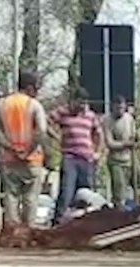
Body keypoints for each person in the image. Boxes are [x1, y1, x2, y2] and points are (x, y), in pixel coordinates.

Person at [0, 71, 48, 227]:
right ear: (29, 87)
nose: (37, 92)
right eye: (36, 88)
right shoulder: (34, 105)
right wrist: (27, 151)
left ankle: (12, 231)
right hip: (32, 159)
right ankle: (28, 230)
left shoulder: (2, 104)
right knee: (30, 197)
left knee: (11, 195)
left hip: (9, 159)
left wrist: (10, 147)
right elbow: (41, 131)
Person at [49, 86, 103, 226]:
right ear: (73, 101)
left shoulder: (90, 115)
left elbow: (98, 134)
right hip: (70, 157)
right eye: (79, 102)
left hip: (86, 158)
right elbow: (47, 122)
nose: (81, 106)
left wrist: (97, 152)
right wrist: (56, 137)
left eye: (84, 103)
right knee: (67, 190)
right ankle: (58, 221)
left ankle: (85, 222)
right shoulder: (63, 111)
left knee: (86, 193)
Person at [103, 95, 136, 209]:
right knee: (119, 189)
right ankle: (118, 213)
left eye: (122, 108)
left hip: (130, 159)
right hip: (115, 161)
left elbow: (133, 137)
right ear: (113, 107)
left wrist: (135, 141)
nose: (120, 111)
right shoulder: (107, 120)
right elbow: (110, 143)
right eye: (117, 108)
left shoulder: (129, 118)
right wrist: (125, 144)